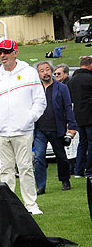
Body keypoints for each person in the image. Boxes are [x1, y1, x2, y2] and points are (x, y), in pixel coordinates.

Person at [0, 39, 46, 215]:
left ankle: (31, 205)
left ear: (15, 52)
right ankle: (9, 205)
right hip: (1, 131)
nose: (2, 55)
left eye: (6, 51)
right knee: (6, 170)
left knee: (25, 167)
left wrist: (29, 118)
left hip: (23, 130)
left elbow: (40, 100)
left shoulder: (29, 73)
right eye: (0, 52)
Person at [33, 61, 77, 194]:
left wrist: (72, 125)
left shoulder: (62, 88)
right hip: (40, 129)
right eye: (42, 70)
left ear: (51, 71)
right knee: (39, 157)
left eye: (47, 69)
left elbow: (68, 107)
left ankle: (65, 179)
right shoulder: (35, 89)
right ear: (38, 74)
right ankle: (40, 186)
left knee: (61, 156)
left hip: (56, 128)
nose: (45, 72)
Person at [69, 55, 92, 177]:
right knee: (91, 142)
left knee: (82, 143)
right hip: (90, 116)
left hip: (78, 116)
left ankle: (78, 170)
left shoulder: (72, 80)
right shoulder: (89, 78)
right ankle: (89, 170)